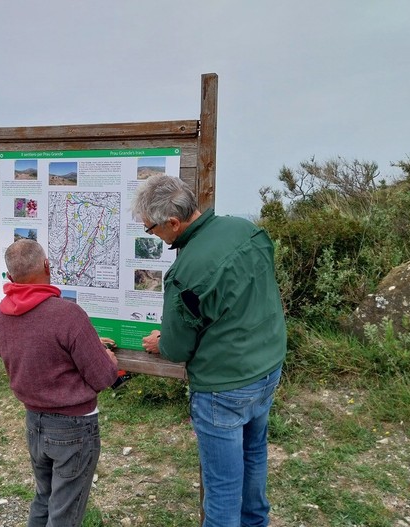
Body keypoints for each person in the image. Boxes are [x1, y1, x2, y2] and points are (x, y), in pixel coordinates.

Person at [132, 175, 287, 527]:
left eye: (151, 229)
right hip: (267, 366)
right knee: (254, 455)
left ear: (173, 223)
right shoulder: (246, 230)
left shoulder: (185, 272)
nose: (152, 234)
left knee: (222, 488)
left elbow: (177, 348)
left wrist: (160, 342)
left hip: (223, 386)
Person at [0, 239, 119, 527]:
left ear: (11, 277)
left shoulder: (3, 315)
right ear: (47, 266)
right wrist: (107, 358)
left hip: (34, 423)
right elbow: (102, 377)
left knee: (44, 497)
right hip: (73, 428)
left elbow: (24, 349)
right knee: (64, 512)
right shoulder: (67, 314)